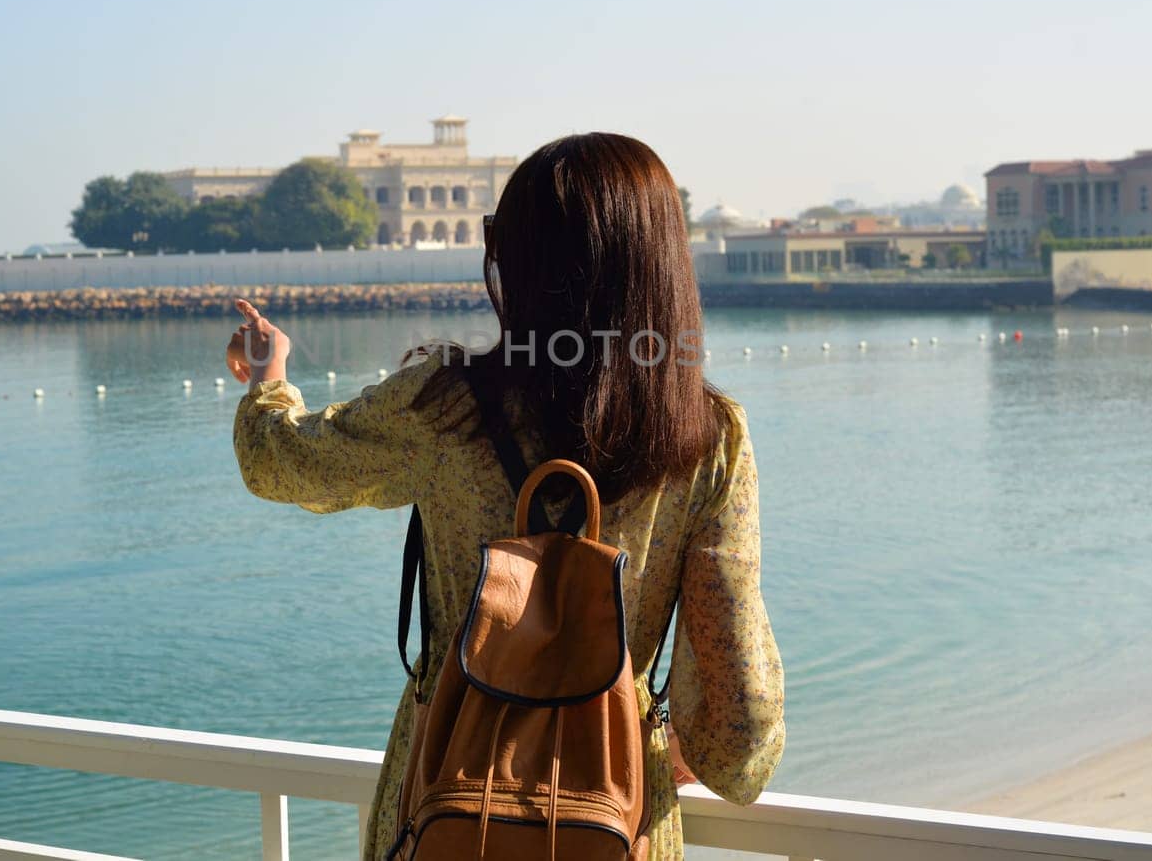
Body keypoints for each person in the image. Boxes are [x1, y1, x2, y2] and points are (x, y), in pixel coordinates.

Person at [228, 132, 784, 860]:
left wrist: (270, 378)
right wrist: (690, 747)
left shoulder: (443, 406)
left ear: (520, 261)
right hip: (614, 808)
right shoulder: (709, 438)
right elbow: (741, 714)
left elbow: (284, 464)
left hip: (447, 789)